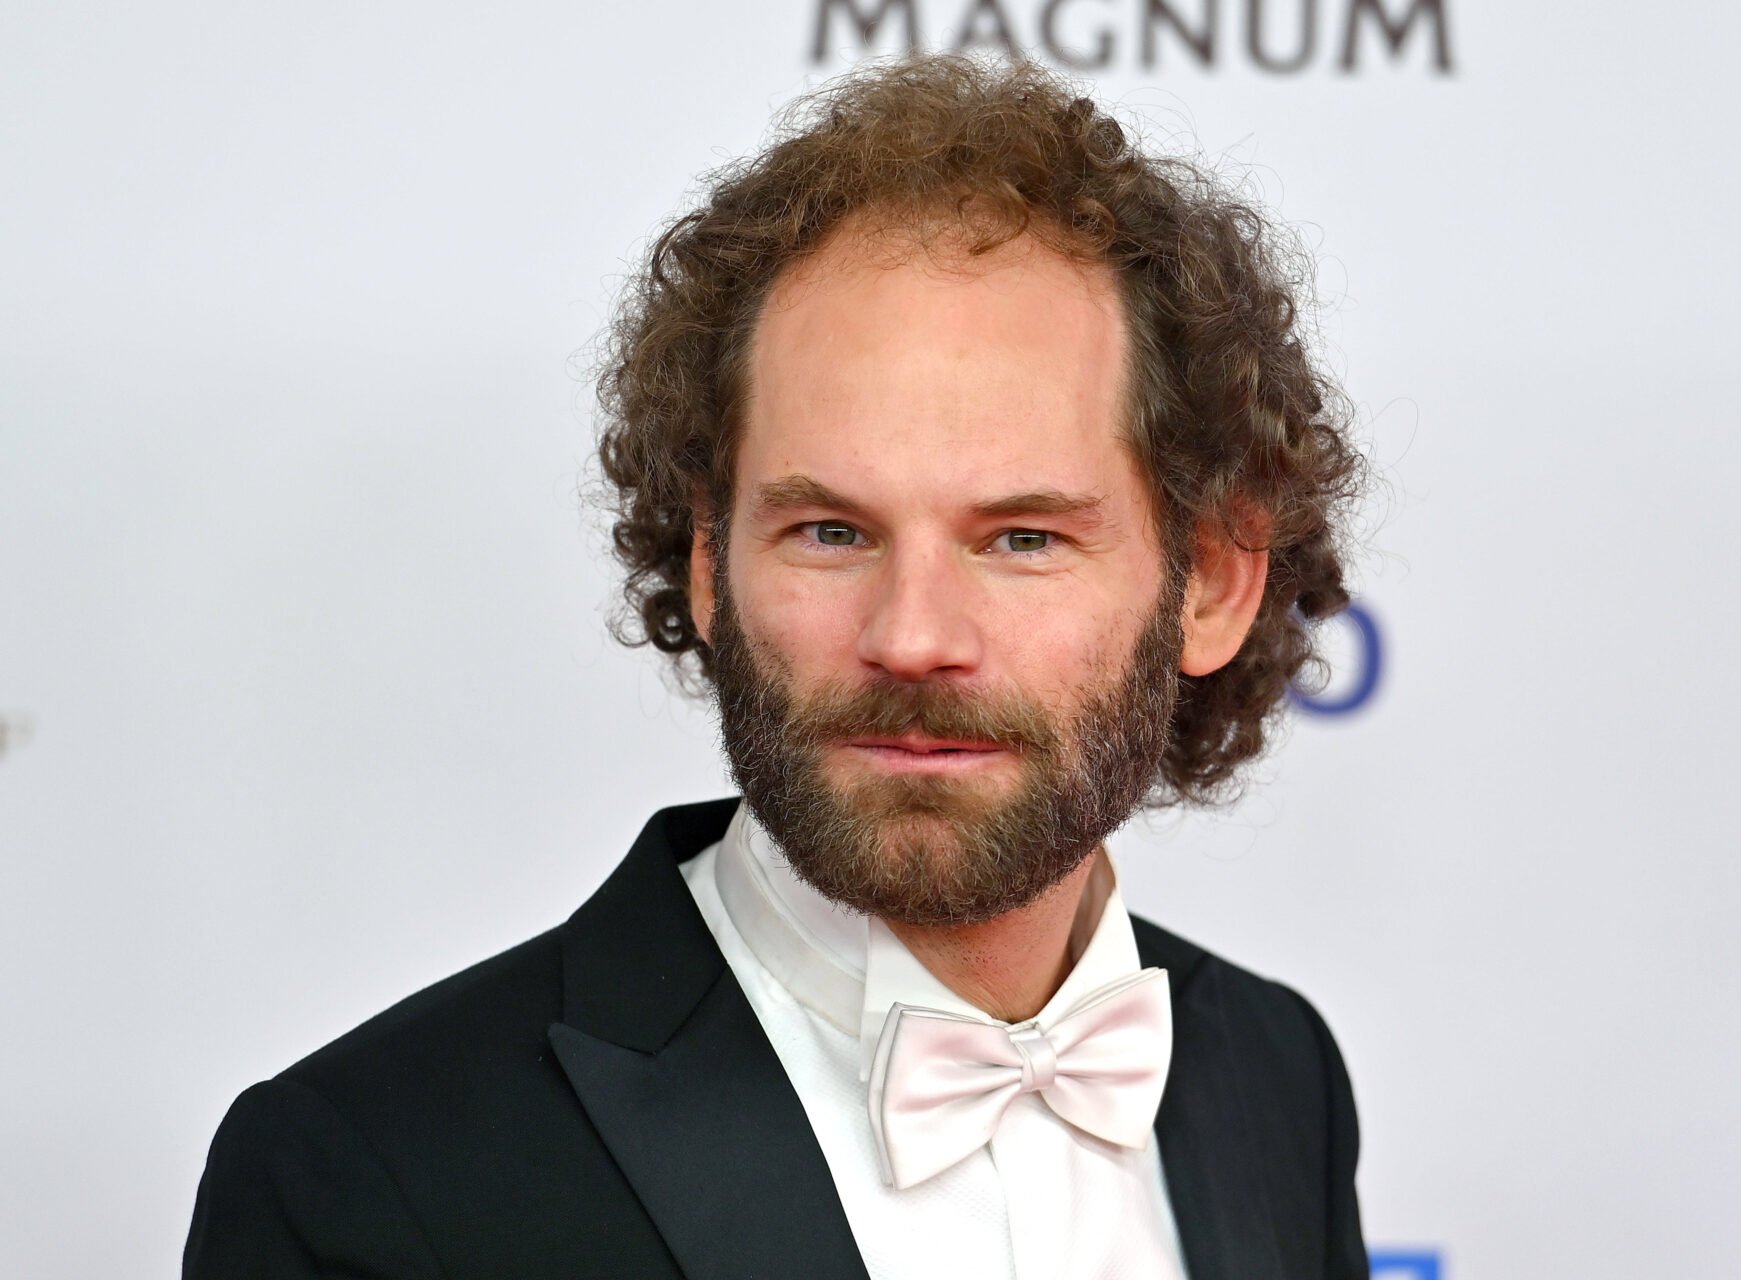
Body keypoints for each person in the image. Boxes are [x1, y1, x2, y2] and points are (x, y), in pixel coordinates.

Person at [185, 54, 1369, 1280]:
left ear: (1213, 581)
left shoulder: (1280, 1077)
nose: (913, 635)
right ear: (710, 560)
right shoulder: (373, 1172)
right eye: (831, 531)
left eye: (1023, 538)